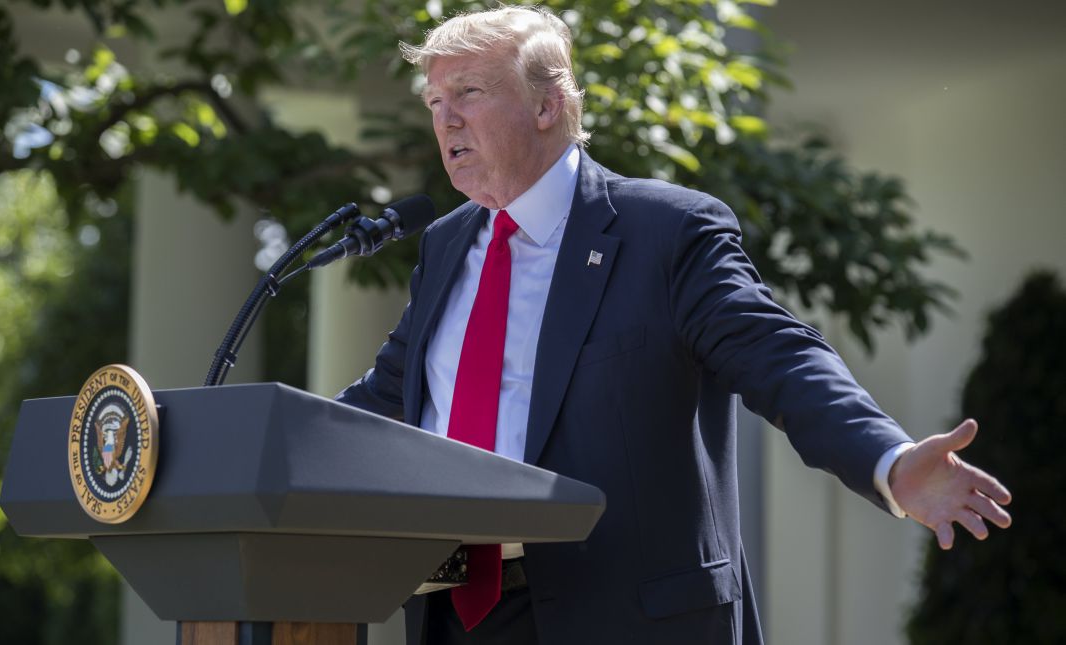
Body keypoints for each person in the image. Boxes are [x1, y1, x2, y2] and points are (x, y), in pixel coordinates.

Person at [337, 6, 1012, 645]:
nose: (445, 119)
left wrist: (886, 458)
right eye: (433, 102)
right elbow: (381, 400)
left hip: (623, 615)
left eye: (468, 92)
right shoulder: (446, 244)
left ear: (547, 105)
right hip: (454, 615)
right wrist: (246, 450)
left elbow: (778, 356)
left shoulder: (666, 232)